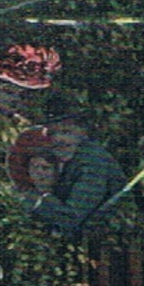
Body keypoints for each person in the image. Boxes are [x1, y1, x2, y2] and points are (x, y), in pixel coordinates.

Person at [21, 93, 127, 237]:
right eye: (52, 133)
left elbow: (70, 218)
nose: (58, 140)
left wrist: (34, 202)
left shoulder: (92, 161)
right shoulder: (67, 160)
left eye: (66, 131)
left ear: (83, 131)